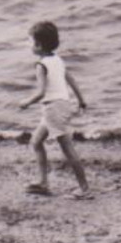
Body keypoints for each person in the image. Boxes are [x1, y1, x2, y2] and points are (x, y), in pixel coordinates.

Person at [17, 21, 91, 198]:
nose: (29, 44)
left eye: (30, 41)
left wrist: (26, 102)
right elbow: (70, 79)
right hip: (60, 105)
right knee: (36, 142)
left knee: (67, 148)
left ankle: (84, 188)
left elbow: (41, 92)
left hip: (53, 108)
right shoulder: (57, 59)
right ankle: (43, 183)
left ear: (39, 45)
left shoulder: (40, 65)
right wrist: (81, 100)